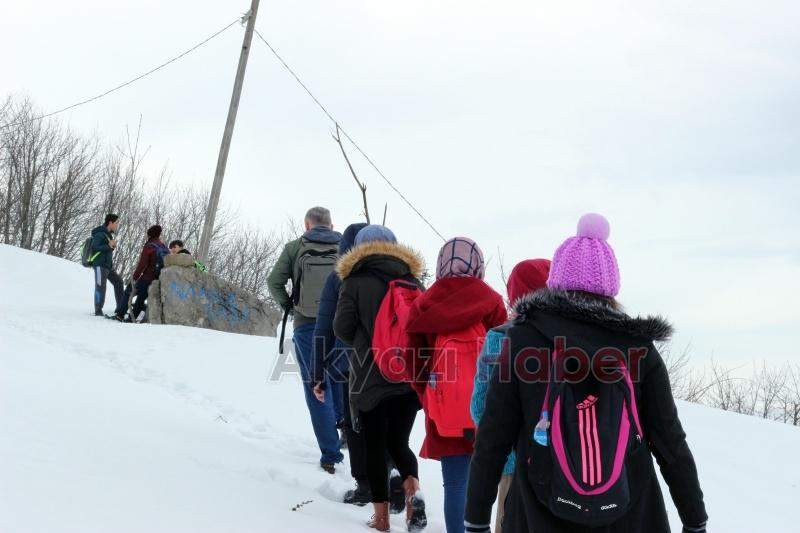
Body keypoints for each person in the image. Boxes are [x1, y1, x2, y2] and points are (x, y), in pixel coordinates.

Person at [464, 213, 708, 533]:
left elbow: (492, 440)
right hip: (630, 515)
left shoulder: (523, 341)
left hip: (537, 516)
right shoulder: (638, 349)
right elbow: (671, 443)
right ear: (611, 287)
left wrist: (476, 519)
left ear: (556, 282)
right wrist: (695, 519)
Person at [405, 237, 507, 533]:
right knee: (487, 483)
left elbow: (412, 360)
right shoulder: (491, 300)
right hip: (487, 409)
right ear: (477, 264)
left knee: (455, 484)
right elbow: (505, 355)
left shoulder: (424, 302)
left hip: (443, 407)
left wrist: (429, 395)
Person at [333, 225, 427, 532]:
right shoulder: (414, 282)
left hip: (371, 375)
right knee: (399, 442)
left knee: (374, 444)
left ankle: (382, 518)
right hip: (409, 375)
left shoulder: (355, 281)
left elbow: (342, 328)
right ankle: (413, 489)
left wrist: (367, 337)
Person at [469, 258, 551, 533]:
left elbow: (480, 405)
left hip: (511, 465)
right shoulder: (568, 340)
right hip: (564, 468)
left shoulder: (500, 338)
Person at [267, 206, 344, 474]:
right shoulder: (346, 245)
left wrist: (289, 304)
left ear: (307, 225)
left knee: (316, 386)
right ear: (331, 225)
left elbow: (274, 280)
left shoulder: (295, 247)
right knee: (340, 377)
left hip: (307, 324)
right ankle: (345, 426)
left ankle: (330, 455)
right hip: (341, 325)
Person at [113, 225, 167, 322]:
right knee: (141, 298)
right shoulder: (163, 246)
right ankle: (131, 318)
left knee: (129, 291)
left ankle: (120, 315)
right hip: (157, 279)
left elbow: (142, 265)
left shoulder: (149, 246)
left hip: (146, 278)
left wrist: (134, 278)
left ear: (150, 234)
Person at [90, 214, 123, 317]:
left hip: (107, 266)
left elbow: (105, 249)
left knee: (119, 282)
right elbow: (95, 247)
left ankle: (120, 308)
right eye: (117, 223)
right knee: (100, 287)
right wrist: (108, 245)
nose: (118, 225)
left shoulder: (108, 235)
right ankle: (98, 310)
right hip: (99, 265)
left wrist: (111, 247)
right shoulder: (100, 233)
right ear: (110, 222)